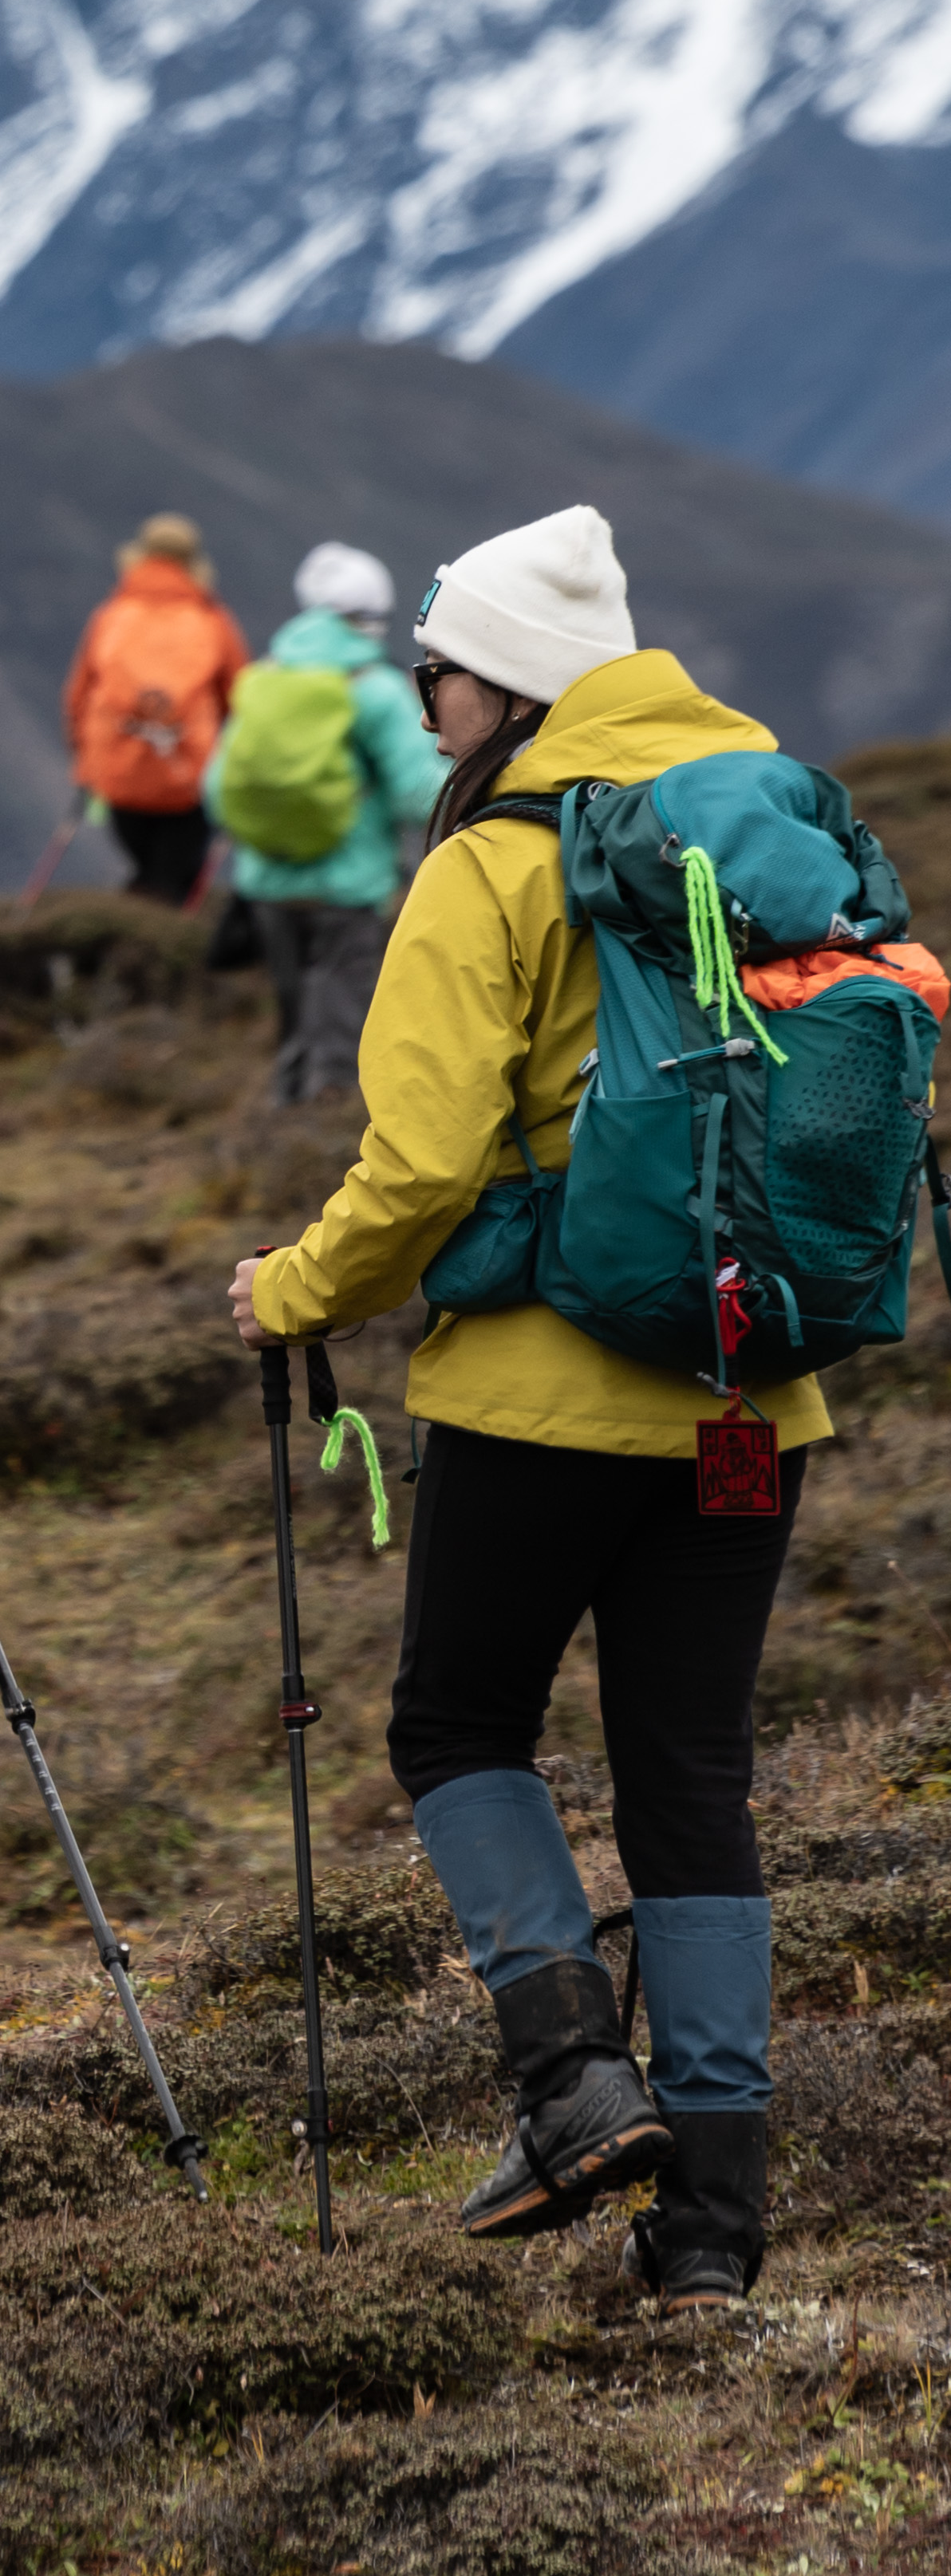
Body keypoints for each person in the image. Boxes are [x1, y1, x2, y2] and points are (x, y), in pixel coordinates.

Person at [227, 507, 833, 2306]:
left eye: (438, 676)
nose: (420, 711)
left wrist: (290, 1292)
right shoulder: (767, 822)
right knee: (690, 1779)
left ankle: (571, 2082)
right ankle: (710, 2227)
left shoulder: (490, 863)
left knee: (455, 1723)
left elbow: (415, 1173)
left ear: (509, 682)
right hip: (749, 1396)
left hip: (539, 1406)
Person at [203, 541, 442, 1101]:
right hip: (348, 887)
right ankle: (322, 1152)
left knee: (292, 1022)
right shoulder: (375, 692)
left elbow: (216, 791)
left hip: (266, 885)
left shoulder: (263, 678)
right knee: (342, 1026)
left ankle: (279, 1129)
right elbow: (419, 797)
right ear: (370, 620)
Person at [65, 515, 254, 907]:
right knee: (174, 883)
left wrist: (86, 764)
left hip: (119, 774)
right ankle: (163, 948)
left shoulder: (110, 617)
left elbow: (78, 698)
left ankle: (131, 934)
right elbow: (241, 701)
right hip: (189, 778)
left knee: (147, 874)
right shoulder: (212, 621)